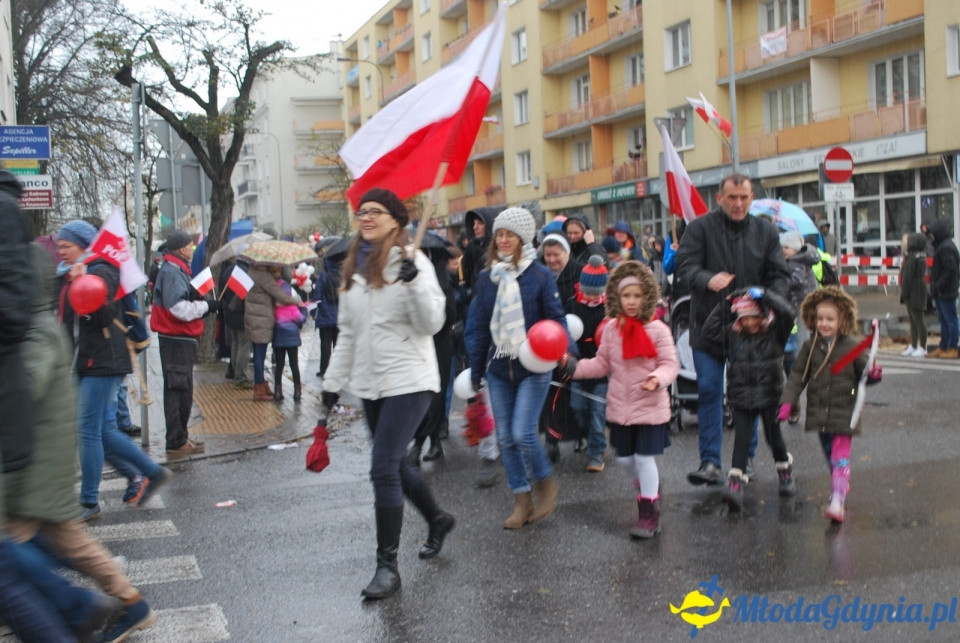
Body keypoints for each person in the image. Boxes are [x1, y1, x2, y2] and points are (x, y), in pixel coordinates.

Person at [6, 241, 158, 642]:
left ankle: (69, 607)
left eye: (69, 244)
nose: (65, 252)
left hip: (35, 464)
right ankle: (125, 603)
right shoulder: (37, 324)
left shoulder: (36, 330)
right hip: (39, 458)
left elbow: (26, 388)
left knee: (15, 547)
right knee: (66, 543)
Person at [324, 188, 454, 600]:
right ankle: (437, 518)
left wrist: (413, 282)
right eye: (362, 211)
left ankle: (387, 568)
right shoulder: (354, 271)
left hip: (410, 380)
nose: (366, 217)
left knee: (382, 467)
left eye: (375, 211)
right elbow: (347, 334)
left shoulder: (412, 262)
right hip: (371, 382)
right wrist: (331, 386)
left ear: (396, 220)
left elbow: (432, 324)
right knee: (395, 464)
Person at [676, 173, 790, 486]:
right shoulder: (699, 228)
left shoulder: (765, 231)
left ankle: (745, 460)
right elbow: (684, 267)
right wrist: (706, 279)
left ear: (752, 198)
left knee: (748, 396)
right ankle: (710, 462)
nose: (738, 204)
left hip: (750, 329)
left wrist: (768, 304)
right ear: (719, 198)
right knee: (709, 390)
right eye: (732, 198)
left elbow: (779, 276)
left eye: (744, 198)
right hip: (708, 326)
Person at [465, 207, 573, 529]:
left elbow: (556, 318)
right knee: (506, 438)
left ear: (523, 239)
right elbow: (479, 327)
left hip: (534, 366)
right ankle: (521, 500)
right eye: (499, 235)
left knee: (522, 432)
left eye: (509, 235)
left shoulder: (539, 276)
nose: (503, 240)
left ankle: (545, 481)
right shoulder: (487, 278)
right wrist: (475, 370)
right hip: (499, 366)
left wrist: (567, 350)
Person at [58, 221, 171, 518]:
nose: (62, 251)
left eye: (67, 246)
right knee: (103, 430)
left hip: (102, 361)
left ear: (84, 245)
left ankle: (88, 501)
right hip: (88, 361)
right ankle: (151, 472)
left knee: (88, 431)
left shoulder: (101, 271)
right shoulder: (76, 270)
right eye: (59, 246)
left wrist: (82, 286)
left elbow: (104, 316)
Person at [561, 261, 678, 538]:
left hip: (650, 408)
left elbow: (670, 364)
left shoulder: (658, 329)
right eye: (626, 296)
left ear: (647, 297)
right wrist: (573, 367)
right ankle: (649, 488)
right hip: (620, 408)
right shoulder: (612, 329)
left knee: (644, 459)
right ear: (617, 297)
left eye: (637, 295)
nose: (632, 301)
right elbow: (601, 364)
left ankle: (648, 515)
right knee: (626, 460)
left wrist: (657, 379)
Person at [780, 287, 882, 523]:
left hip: (845, 412)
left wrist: (874, 374)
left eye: (830, 319)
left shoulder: (852, 346)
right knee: (830, 454)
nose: (824, 324)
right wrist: (788, 402)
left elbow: (866, 375)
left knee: (839, 456)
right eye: (820, 319)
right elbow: (797, 376)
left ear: (841, 320)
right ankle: (840, 480)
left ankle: (837, 501)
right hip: (820, 412)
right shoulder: (810, 347)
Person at [701, 287, 797, 510]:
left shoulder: (776, 332)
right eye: (745, 318)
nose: (750, 323)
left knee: (774, 438)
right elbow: (708, 331)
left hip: (770, 396)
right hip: (742, 396)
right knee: (741, 439)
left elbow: (787, 313)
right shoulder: (733, 334)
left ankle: (784, 470)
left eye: (754, 317)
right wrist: (726, 303)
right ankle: (735, 483)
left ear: (762, 316)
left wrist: (765, 295)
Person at [151, 229, 211, 456]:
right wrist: (205, 307)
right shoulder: (173, 272)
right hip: (175, 338)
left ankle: (181, 436)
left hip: (179, 338)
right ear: (181, 249)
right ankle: (176, 441)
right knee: (178, 390)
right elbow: (177, 308)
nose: (192, 249)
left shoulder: (175, 269)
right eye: (189, 245)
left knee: (182, 388)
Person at [459, 206, 502, 486]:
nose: (475, 227)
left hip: (517, 357)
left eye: (480, 223)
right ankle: (489, 456)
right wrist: (476, 365)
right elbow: (473, 333)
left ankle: (517, 452)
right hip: (488, 357)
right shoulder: (481, 291)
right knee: (486, 401)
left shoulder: (526, 281)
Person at [564, 255, 611, 472]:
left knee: (597, 412)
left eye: (596, 292)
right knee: (578, 408)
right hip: (577, 367)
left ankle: (596, 454)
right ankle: (588, 435)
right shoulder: (572, 305)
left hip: (601, 370)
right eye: (588, 291)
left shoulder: (608, 308)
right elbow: (564, 331)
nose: (592, 296)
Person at [244, 264, 303, 401]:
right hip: (262, 320)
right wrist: (296, 301)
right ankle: (259, 389)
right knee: (260, 355)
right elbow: (280, 295)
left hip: (252, 317)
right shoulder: (264, 277)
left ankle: (262, 385)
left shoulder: (251, 271)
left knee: (258, 353)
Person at [925, 219, 959, 359]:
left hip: (946, 291)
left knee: (951, 320)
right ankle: (943, 346)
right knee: (944, 320)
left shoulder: (946, 248)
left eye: (933, 233)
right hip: (941, 291)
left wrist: (938, 285)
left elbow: (950, 270)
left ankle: (952, 347)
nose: (931, 236)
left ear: (939, 233)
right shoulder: (942, 246)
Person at [272, 271, 308, 401]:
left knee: (279, 366)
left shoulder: (274, 308)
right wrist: (304, 309)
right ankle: (297, 392)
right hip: (292, 339)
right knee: (294, 365)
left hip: (278, 338)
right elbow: (301, 319)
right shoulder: (292, 307)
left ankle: (277, 391)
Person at [219, 259, 253, 389]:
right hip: (241, 313)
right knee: (244, 346)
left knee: (235, 344)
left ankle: (235, 373)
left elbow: (222, 289)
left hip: (229, 312)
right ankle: (241, 377)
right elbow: (247, 294)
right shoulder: (245, 272)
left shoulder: (228, 270)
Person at [311, 248, 341, 379]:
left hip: (325, 315)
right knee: (338, 346)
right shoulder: (341, 275)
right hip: (339, 316)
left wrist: (313, 312)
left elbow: (317, 296)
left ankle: (324, 370)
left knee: (325, 345)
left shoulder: (323, 276)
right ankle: (338, 371)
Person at [899, 232, 930, 357]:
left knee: (917, 320)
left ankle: (922, 347)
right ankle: (914, 345)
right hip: (918, 289)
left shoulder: (912, 257)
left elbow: (907, 277)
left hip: (913, 291)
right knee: (915, 320)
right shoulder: (921, 255)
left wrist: (904, 292)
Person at [540, 233, 583, 306]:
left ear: (567, 253)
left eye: (556, 255)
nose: (552, 260)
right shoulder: (538, 273)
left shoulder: (581, 273)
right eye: (548, 255)